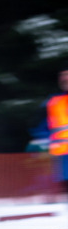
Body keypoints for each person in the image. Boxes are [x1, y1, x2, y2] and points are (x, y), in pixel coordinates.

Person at [45, 66, 68, 197]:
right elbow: (41, 124)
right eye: (62, 75)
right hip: (61, 152)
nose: (65, 78)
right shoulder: (53, 101)